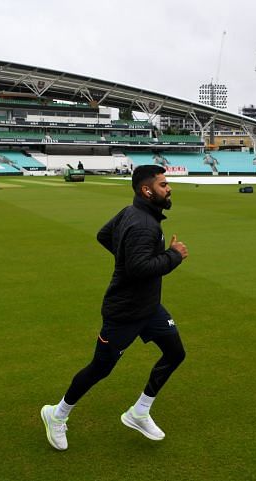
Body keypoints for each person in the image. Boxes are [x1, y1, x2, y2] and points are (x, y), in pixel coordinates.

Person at [41, 164, 189, 451]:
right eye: (163, 185)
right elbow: (138, 269)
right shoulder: (144, 225)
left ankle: (139, 412)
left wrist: (127, 256)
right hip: (124, 313)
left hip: (149, 309)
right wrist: (174, 256)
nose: (169, 188)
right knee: (100, 368)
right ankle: (56, 415)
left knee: (175, 353)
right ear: (147, 191)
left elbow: (103, 235)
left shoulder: (133, 213)